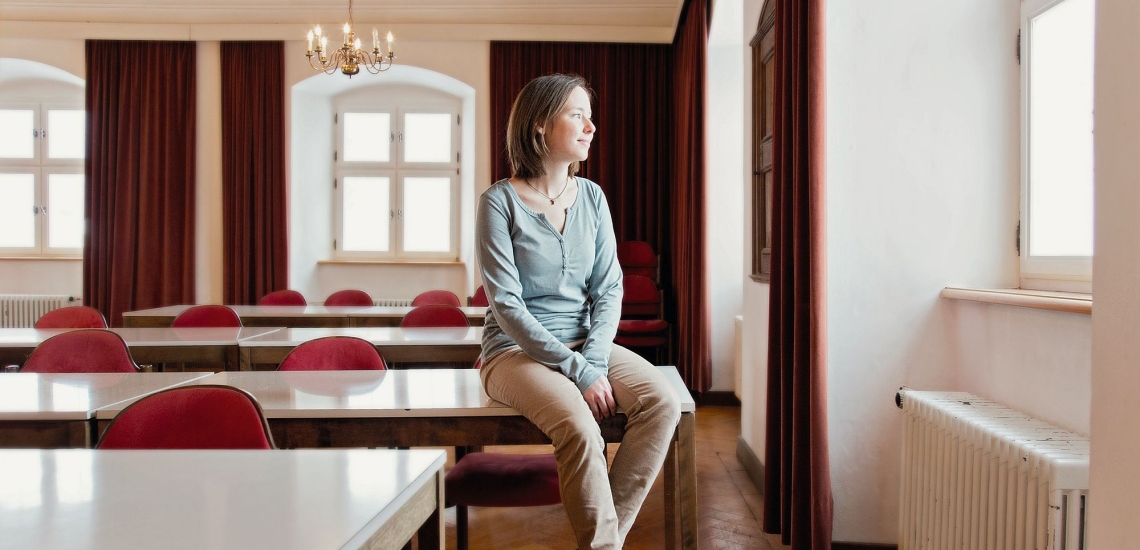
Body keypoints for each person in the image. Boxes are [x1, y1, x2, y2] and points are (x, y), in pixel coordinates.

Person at [476, 73, 681, 549]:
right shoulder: (498, 202)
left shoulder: (592, 197)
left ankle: (602, 543)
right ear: (539, 126)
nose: (591, 127)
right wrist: (579, 371)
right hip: (511, 352)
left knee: (662, 402)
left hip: (586, 343)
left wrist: (592, 358)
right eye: (577, 115)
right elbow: (506, 305)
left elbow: (610, 287)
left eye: (591, 116)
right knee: (581, 428)